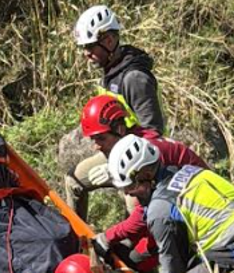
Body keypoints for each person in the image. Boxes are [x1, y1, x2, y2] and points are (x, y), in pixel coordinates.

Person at [106, 135, 234, 273]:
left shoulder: (160, 209)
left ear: (145, 175)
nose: (127, 192)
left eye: (130, 186)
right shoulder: (191, 172)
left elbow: (173, 267)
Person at [81, 95, 208, 271]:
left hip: (193, 216)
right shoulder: (137, 146)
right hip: (175, 207)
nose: (96, 146)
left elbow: (144, 216)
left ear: (119, 129)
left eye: (101, 139)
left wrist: (108, 237)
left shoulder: (148, 155)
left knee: (135, 260)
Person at [67, 5, 165, 220]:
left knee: (136, 209)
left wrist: (116, 170)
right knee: (74, 180)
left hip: (137, 160)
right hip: (115, 149)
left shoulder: (135, 79)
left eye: (91, 47)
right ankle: (76, 240)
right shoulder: (111, 71)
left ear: (109, 41)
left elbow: (154, 133)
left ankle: (140, 251)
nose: (86, 54)